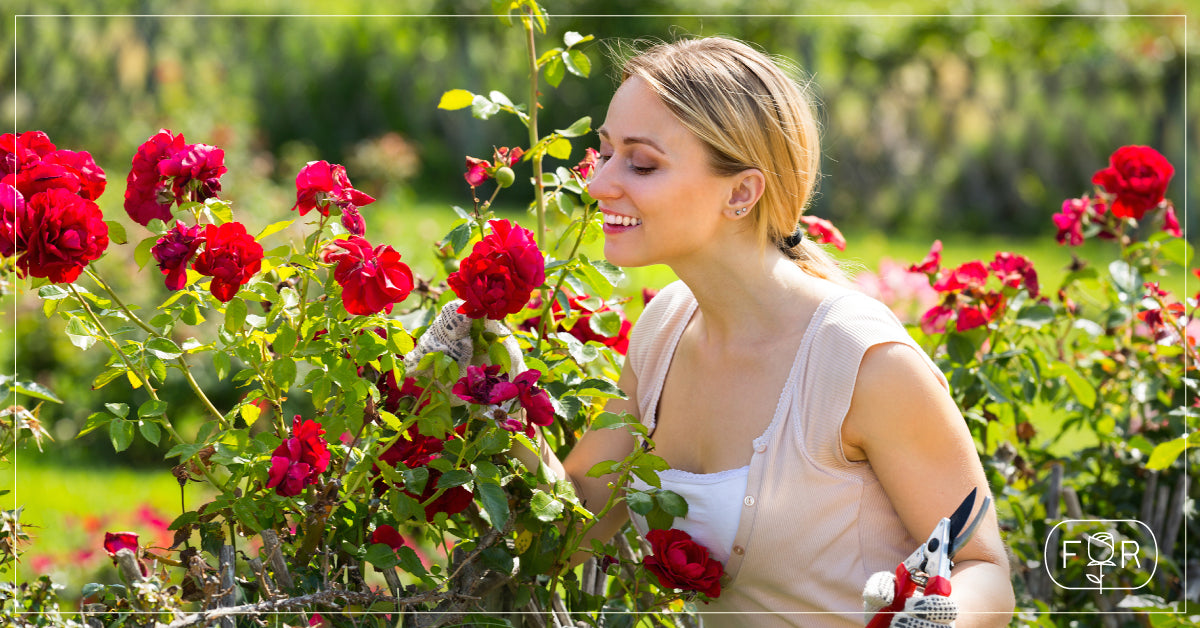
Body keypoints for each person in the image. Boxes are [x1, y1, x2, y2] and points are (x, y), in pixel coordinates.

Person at [506, 37, 1015, 627]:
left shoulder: (860, 363)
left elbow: (983, 569)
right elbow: (576, 521)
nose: (598, 184)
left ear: (742, 192)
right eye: (606, 153)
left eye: (641, 163)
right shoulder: (666, 328)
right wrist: (492, 388)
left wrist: (938, 620)